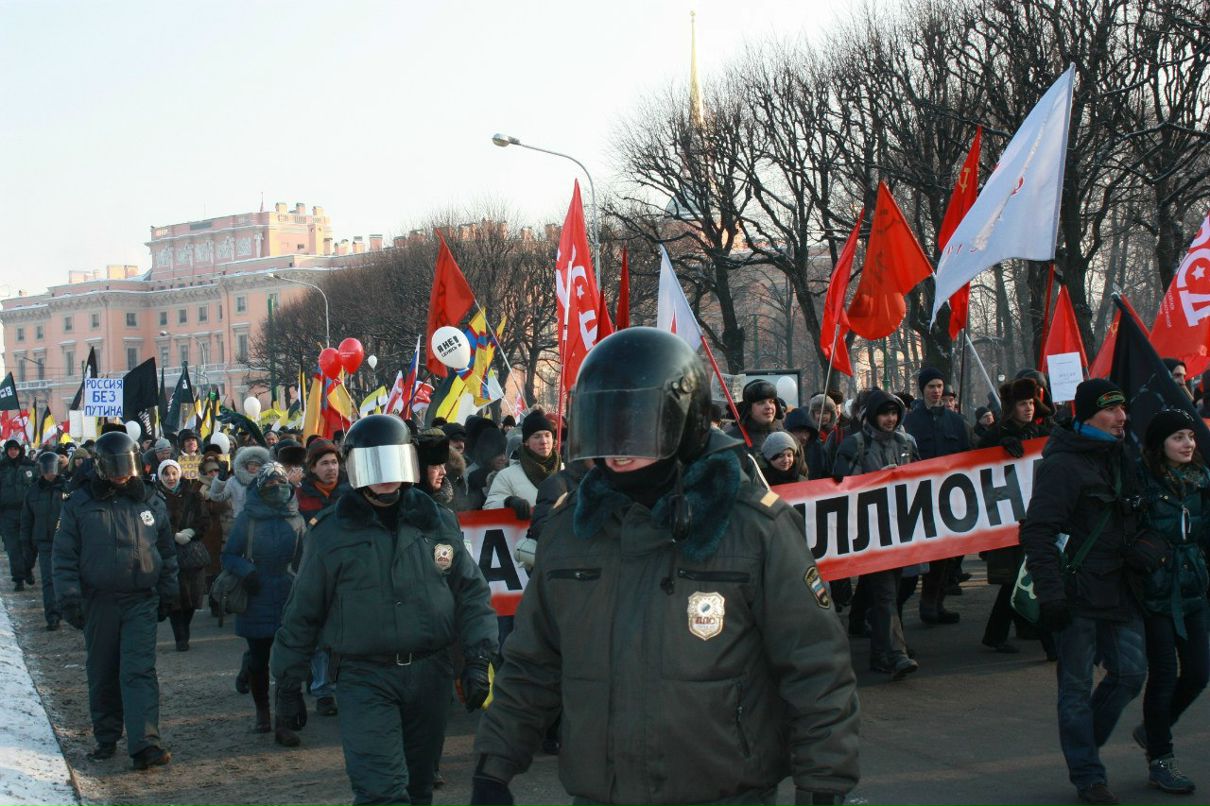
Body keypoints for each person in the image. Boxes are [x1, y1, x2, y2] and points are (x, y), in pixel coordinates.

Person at [472, 327, 860, 806]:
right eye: (607, 420)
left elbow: (815, 666)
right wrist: (495, 767)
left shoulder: (754, 527)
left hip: (725, 792)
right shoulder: (570, 531)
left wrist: (823, 784)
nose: (620, 440)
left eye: (636, 420)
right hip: (602, 792)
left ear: (684, 420)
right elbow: (533, 663)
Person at [271, 414, 497, 805]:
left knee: (418, 788)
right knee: (381, 792)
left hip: (431, 673)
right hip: (365, 676)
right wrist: (287, 684)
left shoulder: (437, 521)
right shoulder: (331, 533)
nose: (385, 476)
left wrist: (478, 658)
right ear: (356, 468)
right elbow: (302, 612)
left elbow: (471, 593)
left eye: (393, 461)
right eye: (374, 464)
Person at [1019, 379, 1150, 806]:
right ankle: (1088, 776)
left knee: (1130, 674)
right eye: (1112, 410)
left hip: (1120, 590)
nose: (1122, 417)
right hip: (1076, 596)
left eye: (1123, 409)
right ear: (1089, 414)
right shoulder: (1063, 465)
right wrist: (1051, 595)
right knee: (1074, 690)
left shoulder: (1123, 456)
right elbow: (1038, 532)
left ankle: (1081, 745)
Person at [51, 430, 177, 769]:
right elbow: (63, 557)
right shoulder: (79, 503)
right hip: (99, 600)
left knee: (139, 670)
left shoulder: (149, 500)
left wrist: (169, 589)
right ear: (102, 467)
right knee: (104, 669)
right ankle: (107, 736)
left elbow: (165, 549)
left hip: (141, 599)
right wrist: (70, 598)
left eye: (127, 465)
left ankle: (145, 743)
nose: (122, 473)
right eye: (116, 467)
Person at [1129, 408, 1209, 794]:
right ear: (1160, 444)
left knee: (1198, 671)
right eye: (1178, 437)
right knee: (1162, 676)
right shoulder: (1141, 480)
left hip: (1193, 587)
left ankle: (1152, 730)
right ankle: (1161, 759)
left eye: (1190, 437)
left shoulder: (1201, 480)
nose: (1188, 444)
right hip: (1155, 591)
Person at [832, 389, 921, 680]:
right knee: (884, 595)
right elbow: (839, 485)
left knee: (893, 593)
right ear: (872, 416)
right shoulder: (855, 445)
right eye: (885, 414)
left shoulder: (907, 442)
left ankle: (880, 655)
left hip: (903, 530)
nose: (890, 419)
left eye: (894, 413)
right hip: (871, 532)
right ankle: (897, 654)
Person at [222, 462, 306, 736]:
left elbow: (306, 560)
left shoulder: (296, 518)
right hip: (255, 594)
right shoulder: (247, 518)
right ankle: (262, 713)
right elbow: (229, 555)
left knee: (288, 661)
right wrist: (247, 572)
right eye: (270, 483)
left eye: (281, 482)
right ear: (260, 487)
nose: (277, 487)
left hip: (287, 594)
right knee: (258, 660)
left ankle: (285, 718)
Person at [978, 378, 1053, 655]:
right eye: (1023, 404)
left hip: (1037, 514)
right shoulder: (998, 433)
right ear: (1012, 407)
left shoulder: (1042, 431)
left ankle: (1027, 629)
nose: (1029, 409)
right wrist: (998, 445)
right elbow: (975, 463)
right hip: (1010, 516)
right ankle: (997, 634)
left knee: (1035, 574)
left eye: (1032, 403)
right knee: (1014, 578)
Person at [904, 367, 971, 625]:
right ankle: (926, 602)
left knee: (948, 555)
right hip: (920, 498)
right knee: (925, 554)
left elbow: (969, 455)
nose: (936, 391)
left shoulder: (957, 422)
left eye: (939, 386)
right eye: (931, 386)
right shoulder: (909, 422)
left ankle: (937, 602)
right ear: (922, 390)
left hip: (950, 498)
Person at [155, 459, 210, 652]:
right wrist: (171, 535)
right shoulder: (155, 497)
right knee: (174, 597)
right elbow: (151, 523)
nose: (170, 478)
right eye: (166, 474)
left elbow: (204, 519)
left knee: (192, 598)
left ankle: (185, 629)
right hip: (166, 552)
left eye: (173, 473)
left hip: (191, 553)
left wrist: (191, 532)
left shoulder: (193, 495)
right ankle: (180, 636)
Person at [485, 411, 562, 519]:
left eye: (547, 435)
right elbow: (488, 510)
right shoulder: (506, 476)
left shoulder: (566, 471)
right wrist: (508, 502)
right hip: (524, 535)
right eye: (537, 436)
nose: (544, 441)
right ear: (526, 442)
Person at [21, 452, 67, 630]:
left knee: (69, 576)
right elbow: (27, 519)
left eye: (52, 469)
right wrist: (27, 544)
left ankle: (72, 609)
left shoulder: (67, 489)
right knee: (49, 579)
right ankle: (53, 615)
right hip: (44, 541)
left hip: (66, 540)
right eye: (47, 470)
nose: (50, 474)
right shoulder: (32, 492)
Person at [1, 439, 36, 590]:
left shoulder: (30, 466)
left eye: (15, 449)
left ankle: (27, 569)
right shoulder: (1, 468)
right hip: (7, 514)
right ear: (7, 451)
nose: (13, 452)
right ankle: (18, 579)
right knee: (13, 548)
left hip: (28, 512)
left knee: (30, 546)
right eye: (10, 449)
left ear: (19, 450)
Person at [725, 379, 785, 454]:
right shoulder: (732, 442)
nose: (768, 406)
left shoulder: (787, 438)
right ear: (749, 409)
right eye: (761, 403)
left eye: (771, 402)